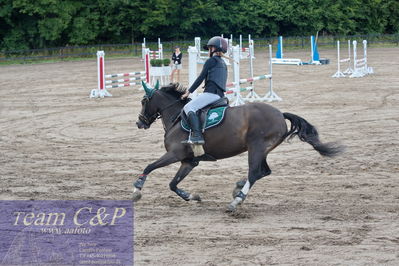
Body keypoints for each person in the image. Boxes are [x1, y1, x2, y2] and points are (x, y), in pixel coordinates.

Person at [181, 36, 228, 145]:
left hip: (211, 94)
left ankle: (197, 135)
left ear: (214, 49)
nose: (209, 51)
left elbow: (201, 77)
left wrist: (189, 92)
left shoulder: (211, 61)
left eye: (210, 48)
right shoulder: (223, 63)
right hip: (220, 95)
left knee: (189, 107)